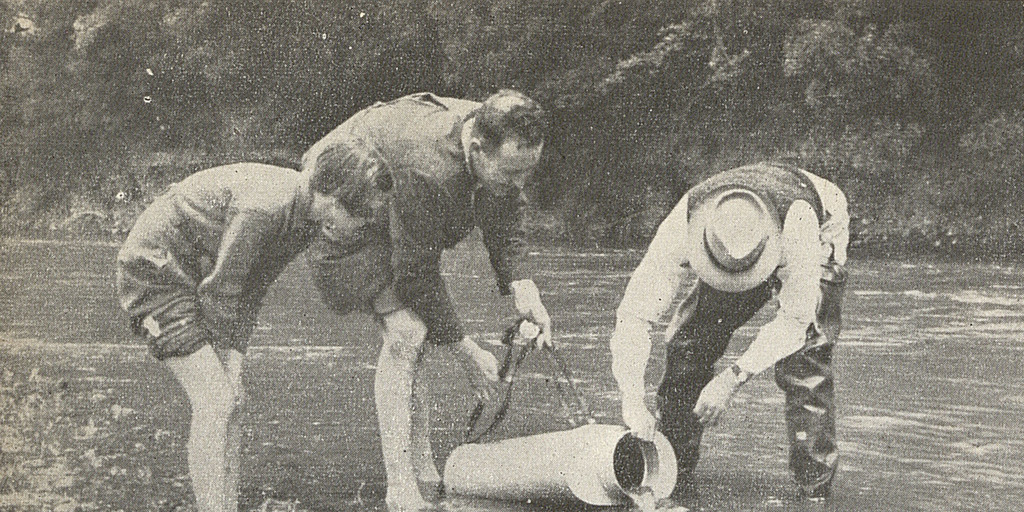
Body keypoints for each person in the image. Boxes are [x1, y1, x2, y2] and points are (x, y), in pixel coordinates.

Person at [303, 90, 552, 511]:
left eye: (527, 171)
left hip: (387, 198)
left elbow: (507, 211)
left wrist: (523, 285)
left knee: (416, 333)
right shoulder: (428, 170)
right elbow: (415, 275)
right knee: (406, 333)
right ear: (476, 149)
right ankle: (401, 487)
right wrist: (467, 351)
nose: (519, 184)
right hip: (339, 202)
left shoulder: (495, 141)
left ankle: (424, 471)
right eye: (511, 172)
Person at [116, 140, 388, 512]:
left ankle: (224, 505)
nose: (361, 228)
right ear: (335, 198)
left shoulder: (307, 218)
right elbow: (221, 290)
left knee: (232, 400)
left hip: (197, 272)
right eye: (361, 217)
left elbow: (252, 287)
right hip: (156, 270)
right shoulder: (266, 206)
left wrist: (235, 365)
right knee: (216, 401)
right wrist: (226, 366)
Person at [609, 161, 849, 502]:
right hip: (740, 243)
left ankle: (814, 494)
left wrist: (732, 378)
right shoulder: (685, 221)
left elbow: (795, 322)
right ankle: (673, 474)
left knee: (806, 360)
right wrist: (632, 401)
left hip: (821, 227)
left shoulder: (797, 224)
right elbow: (634, 316)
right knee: (688, 344)